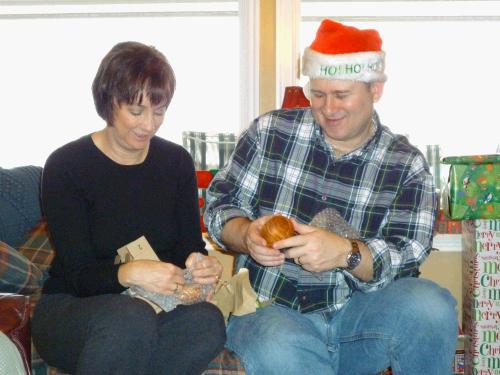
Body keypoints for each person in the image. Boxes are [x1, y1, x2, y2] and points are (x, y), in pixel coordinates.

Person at [205, 19, 458, 375]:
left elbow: (408, 256)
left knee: (432, 306)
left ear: (376, 90)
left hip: (362, 314)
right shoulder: (269, 133)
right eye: (318, 94)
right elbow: (220, 205)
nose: (328, 108)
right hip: (273, 308)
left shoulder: (406, 164)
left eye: (341, 95)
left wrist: (344, 252)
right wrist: (245, 235)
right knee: (277, 346)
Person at [31, 41, 226, 375]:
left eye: (159, 110)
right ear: (109, 104)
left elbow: (188, 247)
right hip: (74, 308)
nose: (149, 124)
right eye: (136, 111)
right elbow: (78, 275)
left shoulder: (176, 162)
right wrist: (129, 273)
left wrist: (199, 263)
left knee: (207, 321)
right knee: (130, 317)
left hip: (156, 306)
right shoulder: (66, 166)